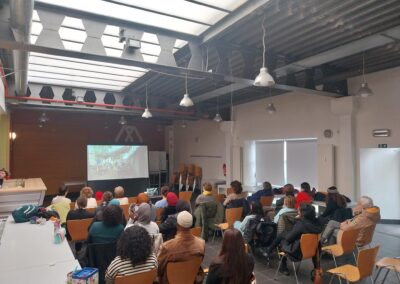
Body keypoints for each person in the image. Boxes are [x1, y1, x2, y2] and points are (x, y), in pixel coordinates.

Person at [265, 203, 323, 275]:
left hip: (298, 252)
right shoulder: (318, 223)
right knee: (284, 233)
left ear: (303, 213)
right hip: (313, 251)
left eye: (298, 211)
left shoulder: (301, 224)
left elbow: (289, 239)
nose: (297, 212)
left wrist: (297, 221)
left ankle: (283, 267)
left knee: (282, 238)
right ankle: (316, 269)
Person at [157, 211, 205, 284]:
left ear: (177, 225)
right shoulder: (201, 243)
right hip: (191, 280)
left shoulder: (167, 246)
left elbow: (159, 269)